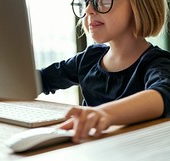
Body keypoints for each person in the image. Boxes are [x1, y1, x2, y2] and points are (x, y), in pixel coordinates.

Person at [39, 0, 170, 143]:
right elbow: (41, 80)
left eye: (102, 1)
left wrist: (104, 113)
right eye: (85, 2)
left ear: (139, 5)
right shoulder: (89, 58)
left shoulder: (157, 63)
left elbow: (162, 95)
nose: (89, 10)